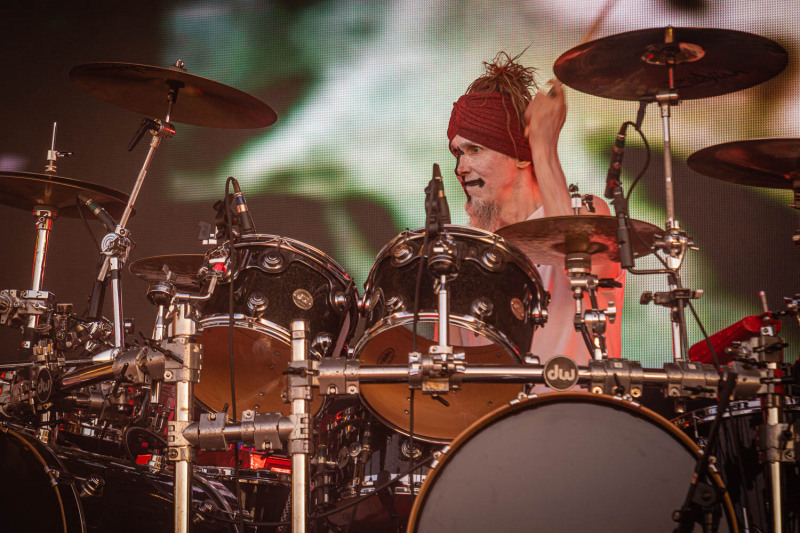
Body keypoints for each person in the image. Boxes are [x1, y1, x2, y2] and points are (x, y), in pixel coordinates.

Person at [446, 51, 625, 366]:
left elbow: (578, 265)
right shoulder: (463, 254)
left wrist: (543, 144)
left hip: (576, 411)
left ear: (521, 156)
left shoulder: (587, 213)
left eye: (475, 149)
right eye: (457, 153)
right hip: (493, 415)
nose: (461, 167)